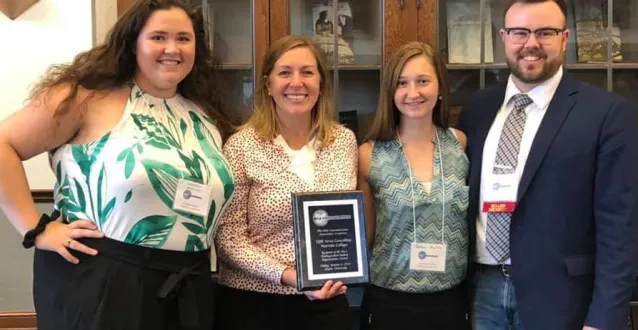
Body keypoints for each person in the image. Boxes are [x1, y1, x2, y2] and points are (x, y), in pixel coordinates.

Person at [0, 1, 235, 329]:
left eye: (184, 38)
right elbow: (3, 144)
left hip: (189, 281)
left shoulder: (202, 114)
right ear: (132, 42)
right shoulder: (85, 99)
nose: (172, 48)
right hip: (104, 279)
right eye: (158, 37)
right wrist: (36, 229)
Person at [456, 1, 638, 329]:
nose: (531, 44)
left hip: (564, 300)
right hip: (483, 292)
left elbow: (620, 227)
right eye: (520, 32)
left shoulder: (607, 114)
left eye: (545, 33)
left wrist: (604, 317)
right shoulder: (478, 109)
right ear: (503, 37)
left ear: (565, 38)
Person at [215, 35, 357, 330]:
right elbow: (229, 240)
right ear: (268, 84)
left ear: (321, 83)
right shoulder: (241, 146)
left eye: (307, 72)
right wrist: (294, 277)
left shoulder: (344, 142)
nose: (297, 82)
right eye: (285, 72)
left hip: (326, 305)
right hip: (255, 306)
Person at [358, 41, 470, 330]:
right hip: (391, 301)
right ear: (390, 92)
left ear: (440, 87)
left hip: (452, 301)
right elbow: (366, 237)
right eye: (402, 83)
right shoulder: (370, 154)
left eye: (423, 81)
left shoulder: (459, 144)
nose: (413, 93)